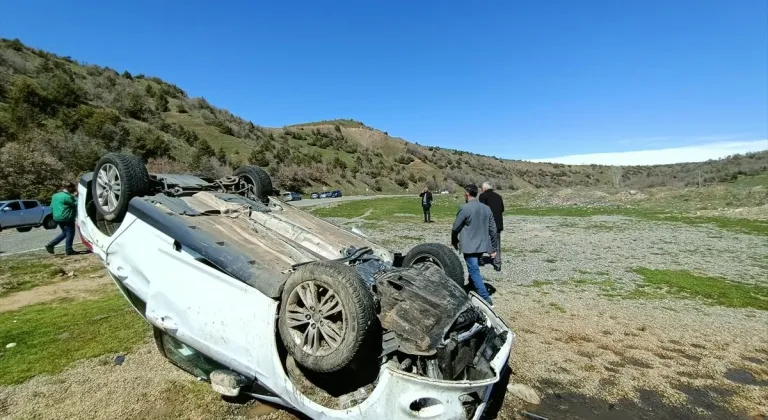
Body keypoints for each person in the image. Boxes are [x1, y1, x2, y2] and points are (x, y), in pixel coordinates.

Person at [451, 184, 498, 305]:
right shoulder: (486, 208)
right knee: (474, 267)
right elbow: (493, 229)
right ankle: (472, 285)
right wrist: (493, 248)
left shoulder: (465, 208)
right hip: (482, 245)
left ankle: (486, 299)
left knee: (474, 270)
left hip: (470, 245)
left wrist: (454, 240)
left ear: (467, 193)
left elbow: (455, 227)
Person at [45, 182, 78, 256]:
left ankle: (51, 244)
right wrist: (75, 197)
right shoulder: (68, 197)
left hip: (57, 217)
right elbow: (75, 204)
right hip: (67, 217)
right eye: (72, 189)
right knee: (70, 233)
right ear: (69, 188)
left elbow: (51, 206)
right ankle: (69, 250)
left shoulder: (55, 196)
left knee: (65, 232)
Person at [479, 182, 505, 271]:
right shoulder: (498, 196)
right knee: (497, 243)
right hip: (498, 223)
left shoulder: (482, 196)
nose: (481, 190)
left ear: (484, 189)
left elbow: (482, 210)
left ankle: (480, 259)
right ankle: (497, 262)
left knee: (482, 241)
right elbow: (502, 209)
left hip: (487, 223)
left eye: (481, 188)